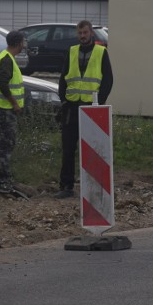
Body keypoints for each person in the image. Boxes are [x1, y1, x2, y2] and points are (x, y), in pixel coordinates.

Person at [55, 20, 113, 199]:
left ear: (91, 34)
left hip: (91, 108)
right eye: (79, 33)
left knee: (93, 149)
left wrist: (98, 103)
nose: (82, 36)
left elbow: (108, 80)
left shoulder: (101, 52)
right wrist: (64, 100)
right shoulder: (72, 52)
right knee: (68, 149)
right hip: (71, 108)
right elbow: (63, 78)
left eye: (85, 33)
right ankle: (67, 186)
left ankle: (95, 186)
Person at [0, 30, 27, 194]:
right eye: (23, 42)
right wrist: (14, 103)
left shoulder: (6, 57)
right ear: (18, 43)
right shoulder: (7, 59)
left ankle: (5, 179)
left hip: (4, 108)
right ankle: (1, 182)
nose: (24, 45)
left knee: (7, 144)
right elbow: (3, 84)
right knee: (5, 145)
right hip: (5, 108)